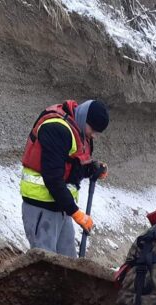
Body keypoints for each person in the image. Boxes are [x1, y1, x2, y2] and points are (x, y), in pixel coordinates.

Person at [20, 99, 110, 256]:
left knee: (68, 265)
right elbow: (53, 178)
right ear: (84, 119)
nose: (93, 136)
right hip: (41, 206)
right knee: (46, 265)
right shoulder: (56, 128)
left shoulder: (79, 130)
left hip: (60, 206)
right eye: (93, 130)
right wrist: (75, 212)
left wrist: (92, 169)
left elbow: (72, 166)